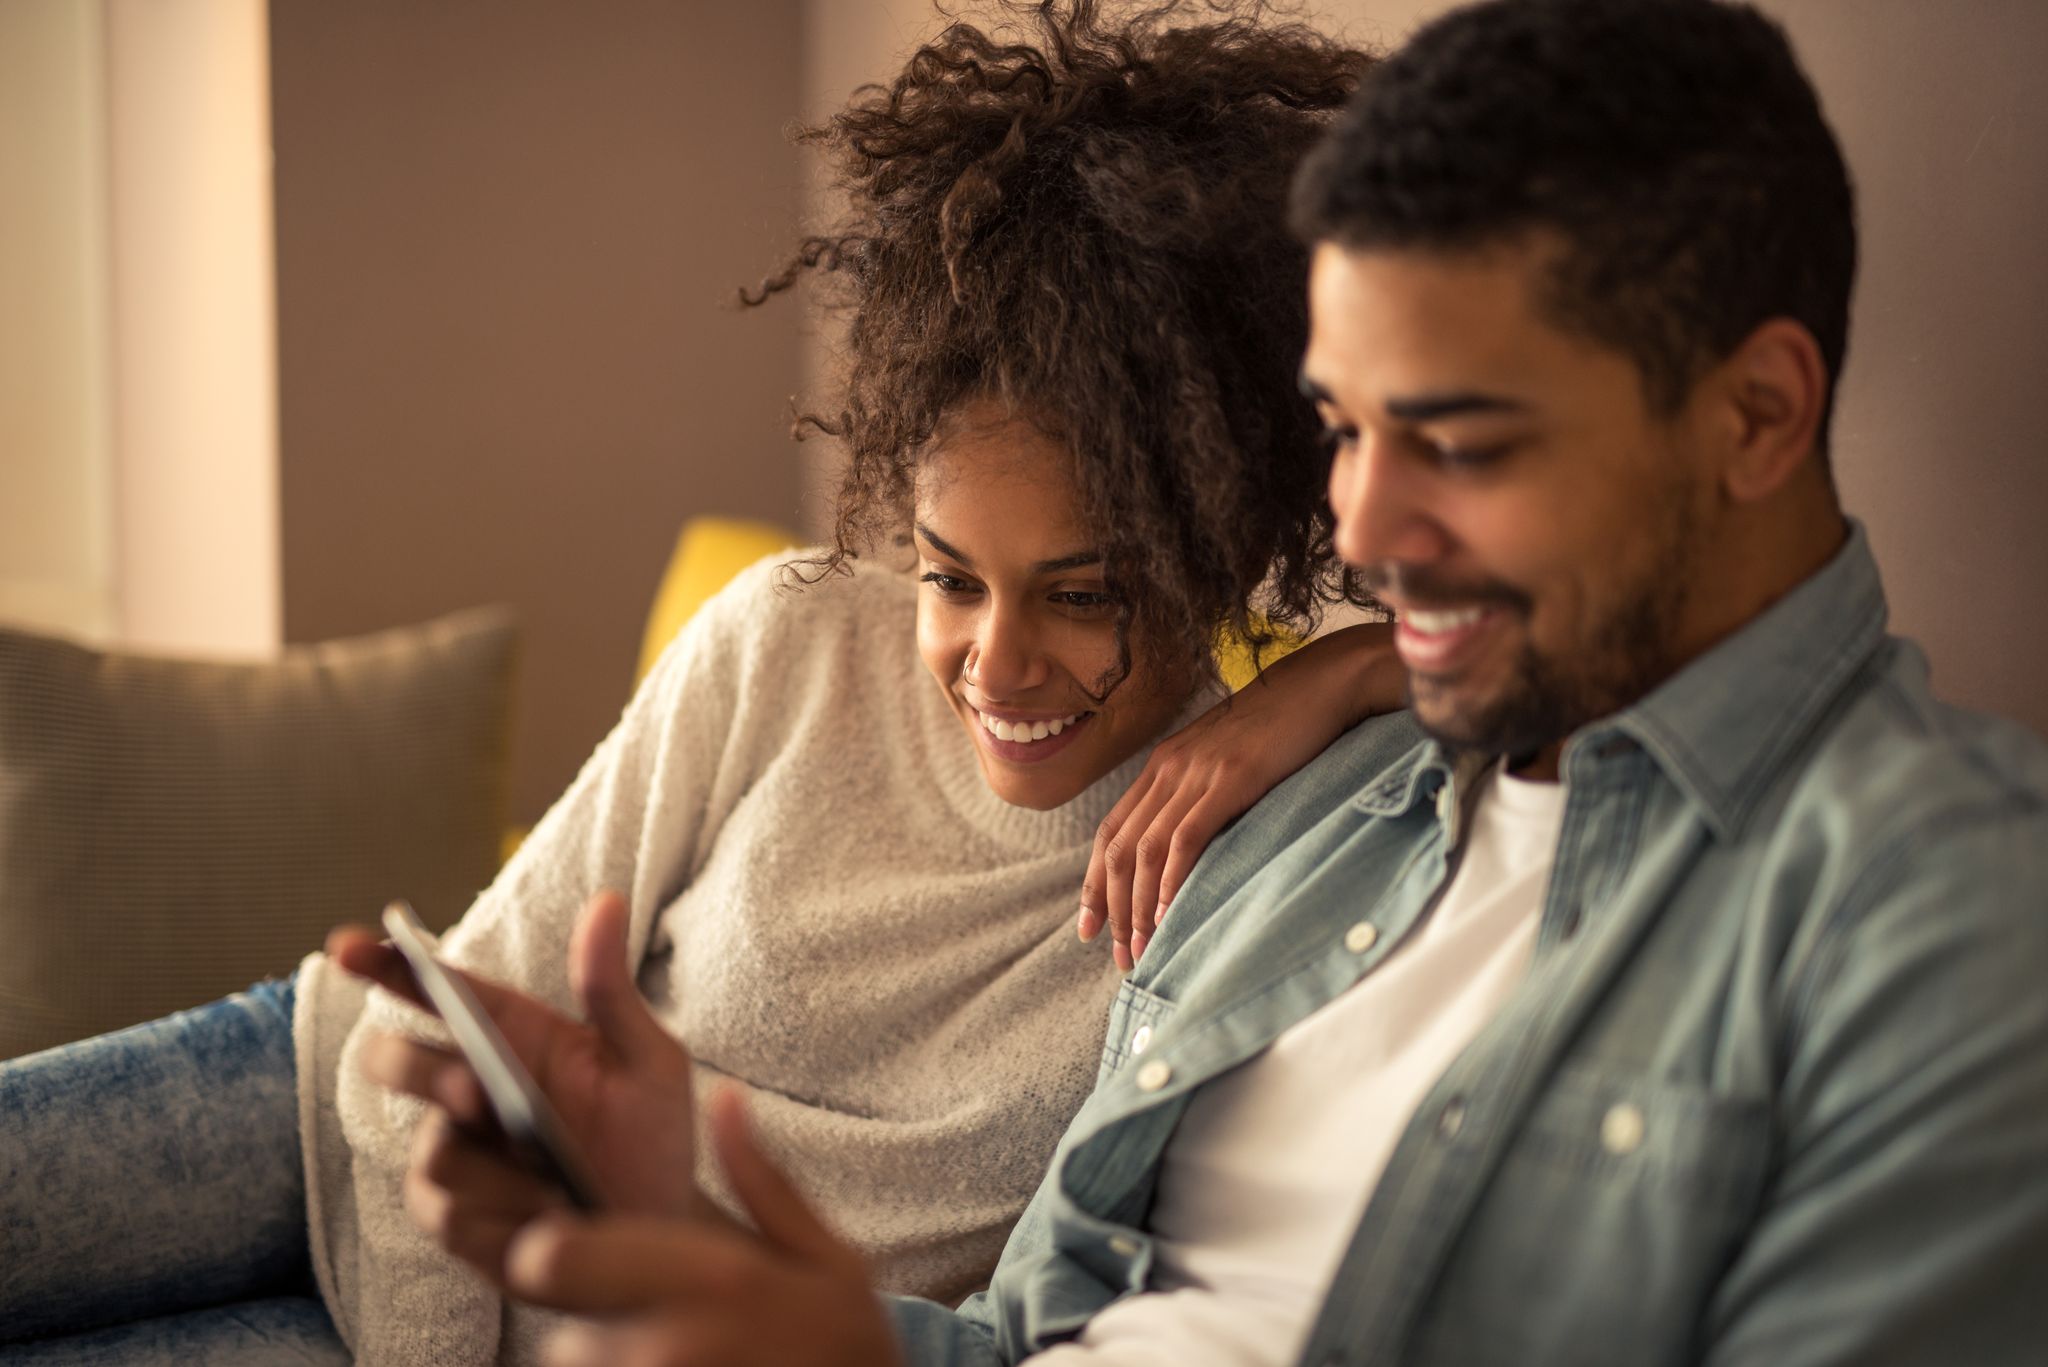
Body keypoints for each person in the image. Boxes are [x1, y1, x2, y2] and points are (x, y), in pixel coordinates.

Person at [369, 1, 2048, 1364]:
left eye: (1457, 440)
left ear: (1756, 416)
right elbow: (1041, 1338)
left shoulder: (1949, 914)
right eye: (1349, 431)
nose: (1364, 529)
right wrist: (726, 1268)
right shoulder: (1335, 824)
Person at [0, 3, 1401, 1363]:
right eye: (949, 577)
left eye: (1086, 595)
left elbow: (1593, 680)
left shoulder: (1246, 855)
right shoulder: (786, 639)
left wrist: (1346, 668)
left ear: (1220, 552)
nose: (999, 662)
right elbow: (447, 1034)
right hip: (324, 1115)